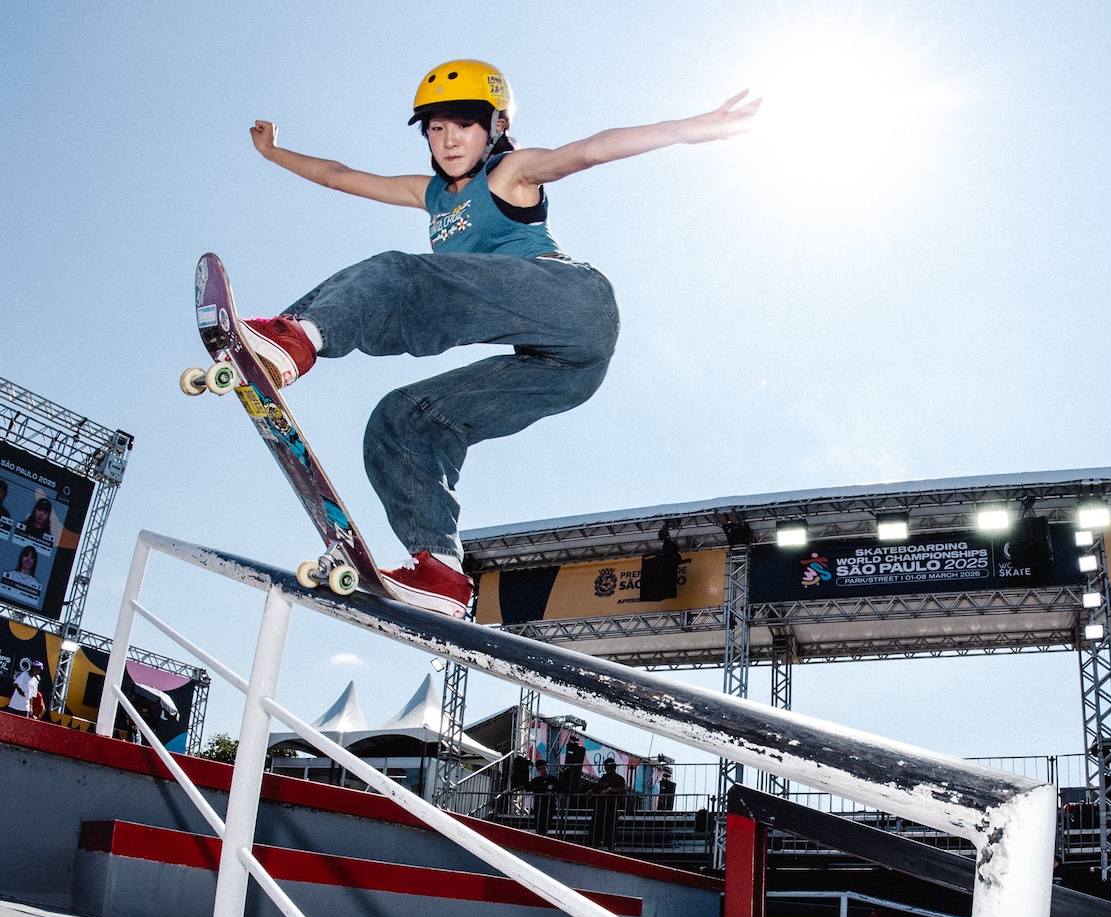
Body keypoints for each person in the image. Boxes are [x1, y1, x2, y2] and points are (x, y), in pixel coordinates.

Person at [243, 62, 758, 617]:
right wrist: (275, 153)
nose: (447, 141)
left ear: (495, 125)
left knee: (399, 274)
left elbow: (588, 150)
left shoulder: (511, 172)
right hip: (558, 370)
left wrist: (689, 128)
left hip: (572, 303)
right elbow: (339, 175)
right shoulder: (431, 195)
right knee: (403, 418)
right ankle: (439, 569)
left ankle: (299, 338)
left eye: (462, 126)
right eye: (435, 129)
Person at [590, 755, 628, 849]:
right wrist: (590, 791)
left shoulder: (619, 779)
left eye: (609, 768)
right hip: (601, 807)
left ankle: (610, 848)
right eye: (606, 768)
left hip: (612, 807)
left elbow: (622, 789)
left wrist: (610, 789)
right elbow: (596, 788)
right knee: (596, 828)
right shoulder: (603, 778)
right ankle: (595, 845)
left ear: (614, 768)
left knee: (610, 829)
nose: (608, 770)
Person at [525, 756, 556, 835]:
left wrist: (553, 794)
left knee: (547, 823)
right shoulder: (536, 780)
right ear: (538, 770)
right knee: (538, 824)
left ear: (546, 767)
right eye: (540, 769)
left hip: (549, 806)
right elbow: (526, 786)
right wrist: (512, 790)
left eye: (543, 768)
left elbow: (560, 791)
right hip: (538, 805)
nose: (542, 770)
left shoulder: (553, 780)